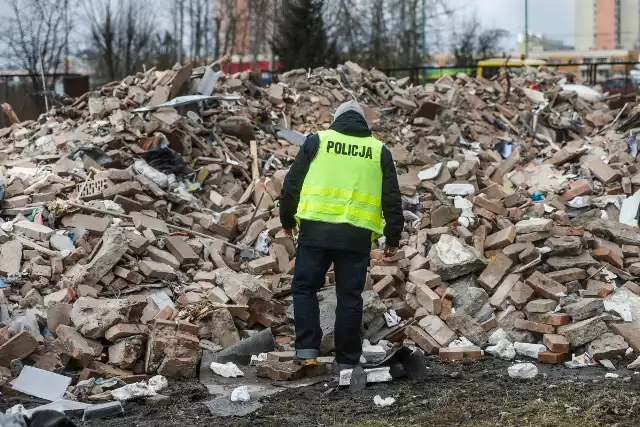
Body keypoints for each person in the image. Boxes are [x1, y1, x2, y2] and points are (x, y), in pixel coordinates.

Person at [279, 100, 403, 370]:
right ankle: (346, 361)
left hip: (315, 231)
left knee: (304, 288)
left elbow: (291, 184)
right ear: (363, 122)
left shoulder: (318, 141)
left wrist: (286, 220)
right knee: (350, 296)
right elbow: (392, 198)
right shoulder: (378, 150)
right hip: (355, 236)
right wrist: (393, 238)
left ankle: (308, 352)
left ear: (337, 119)